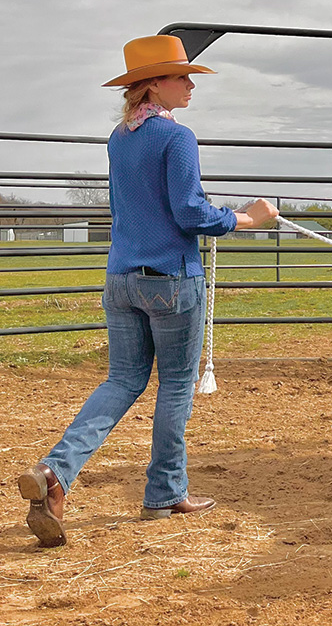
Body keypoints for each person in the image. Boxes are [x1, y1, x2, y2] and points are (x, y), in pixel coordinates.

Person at [18, 35, 278, 547]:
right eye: (183, 77)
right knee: (176, 385)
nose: (190, 86)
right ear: (154, 84)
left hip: (121, 278)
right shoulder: (176, 138)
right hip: (171, 280)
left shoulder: (119, 137)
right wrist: (248, 218)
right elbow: (188, 213)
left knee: (121, 381)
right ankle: (164, 494)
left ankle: (55, 473)